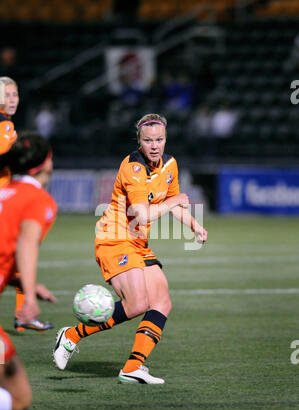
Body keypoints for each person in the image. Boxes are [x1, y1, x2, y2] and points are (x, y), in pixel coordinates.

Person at [53, 113, 208, 384]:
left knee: (162, 302)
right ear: (139, 141)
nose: (154, 145)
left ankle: (133, 367)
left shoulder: (170, 164)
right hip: (114, 239)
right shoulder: (133, 167)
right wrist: (174, 204)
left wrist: (194, 224)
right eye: (148, 140)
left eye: (159, 139)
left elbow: (174, 200)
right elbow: (143, 214)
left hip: (138, 243)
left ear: (165, 139)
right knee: (136, 304)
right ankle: (71, 335)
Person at [0, 132, 57, 410]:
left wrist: (21, 282)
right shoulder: (37, 199)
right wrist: (29, 299)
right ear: (46, 164)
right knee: (19, 398)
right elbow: (26, 243)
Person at [0, 77, 55, 332]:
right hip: (8, 201)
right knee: (22, 248)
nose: (12, 99)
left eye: (15, 94)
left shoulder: (7, 126)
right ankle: (26, 310)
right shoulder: (3, 127)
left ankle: (25, 309)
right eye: (6, 94)